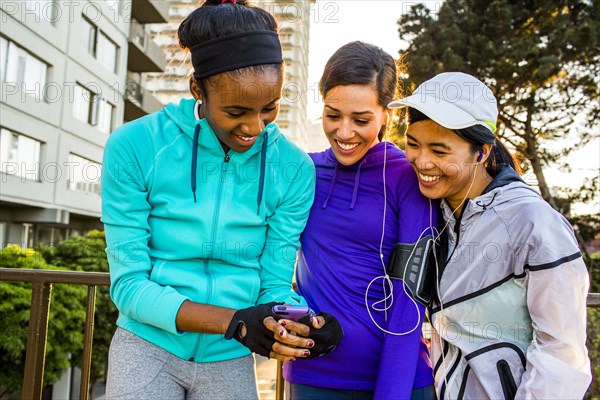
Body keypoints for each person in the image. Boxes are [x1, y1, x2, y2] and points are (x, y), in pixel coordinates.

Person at [101, 1, 340, 399]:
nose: (254, 128)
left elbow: (272, 285)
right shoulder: (134, 146)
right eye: (236, 111)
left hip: (229, 354)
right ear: (198, 89)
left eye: (269, 108)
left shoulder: (294, 169)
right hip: (146, 346)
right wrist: (233, 321)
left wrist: (302, 322)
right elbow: (128, 286)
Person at [388, 72, 592, 399]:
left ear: (482, 153)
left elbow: (563, 353)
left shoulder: (533, 222)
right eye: (413, 144)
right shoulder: (430, 211)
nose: (422, 161)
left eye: (439, 151)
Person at [283, 41, 436, 400]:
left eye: (361, 120)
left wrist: (392, 394)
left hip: (396, 381)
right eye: (333, 115)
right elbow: (272, 261)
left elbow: (410, 298)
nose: (345, 132)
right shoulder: (304, 170)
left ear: (388, 116)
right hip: (311, 375)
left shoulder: (408, 177)